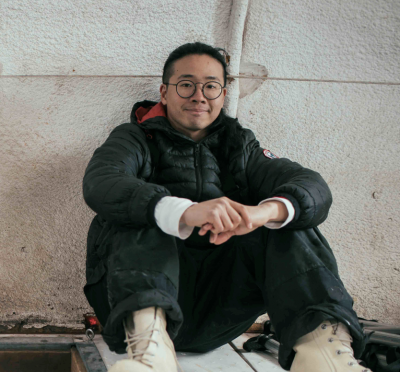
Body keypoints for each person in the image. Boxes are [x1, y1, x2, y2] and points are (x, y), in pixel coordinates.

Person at [82, 42, 371, 372]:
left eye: (211, 86)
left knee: (288, 216)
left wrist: (259, 214)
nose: (199, 96)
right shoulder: (134, 138)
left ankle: (324, 356)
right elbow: (101, 181)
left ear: (222, 94)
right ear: (164, 92)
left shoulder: (240, 145)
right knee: (139, 209)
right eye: (187, 84)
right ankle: (151, 355)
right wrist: (183, 211)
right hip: (135, 306)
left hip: (219, 313)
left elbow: (313, 187)